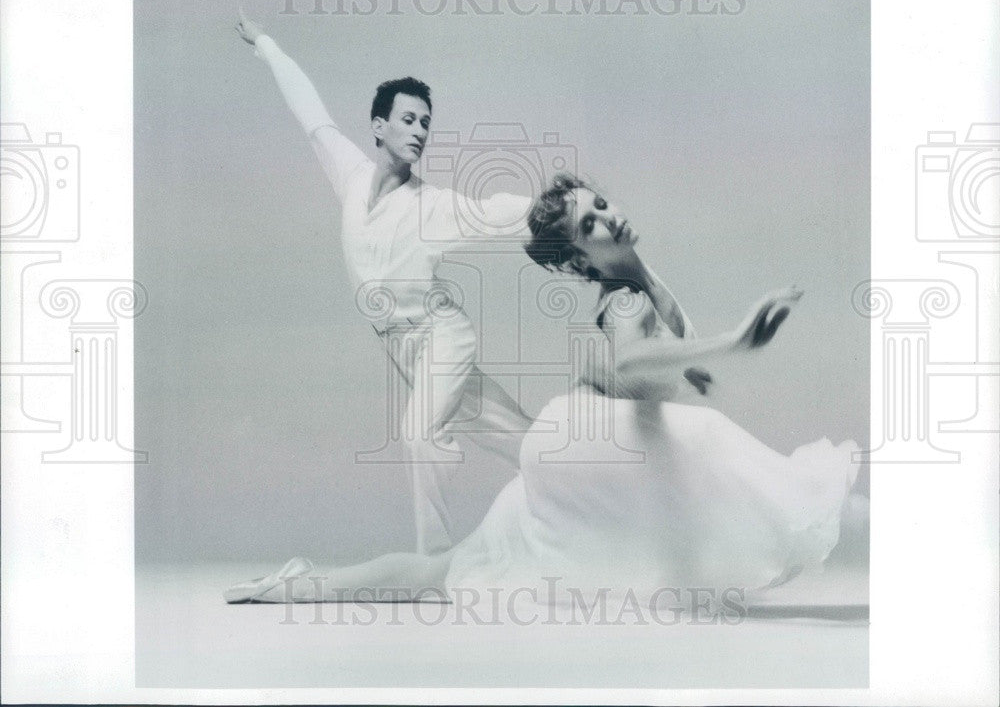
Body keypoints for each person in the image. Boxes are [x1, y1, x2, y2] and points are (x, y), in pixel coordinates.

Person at [224, 175, 859, 606]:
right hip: (580, 450)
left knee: (454, 570)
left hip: (594, 446)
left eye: (601, 205)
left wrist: (687, 369)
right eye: (592, 224)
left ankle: (297, 586)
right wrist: (732, 341)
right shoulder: (626, 298)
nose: (608, 218)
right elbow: (634, 353)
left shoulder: (642, 276)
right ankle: (299, 587)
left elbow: (646, 362)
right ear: (582, 260)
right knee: (713, 446)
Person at [235, 12, 542, 555]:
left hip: (441, 334)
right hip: (401, 348)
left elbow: (499, 213)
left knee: (419, 434)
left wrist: (574, 214)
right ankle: (604, 489)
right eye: (408, 119)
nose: (420, 131)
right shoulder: (350, 177)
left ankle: (435, 565)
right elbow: (311, 116)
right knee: (527, 445)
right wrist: (267, 45)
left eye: (426, 122)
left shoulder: (434, 206)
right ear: (379, 126)